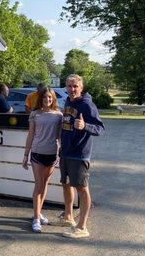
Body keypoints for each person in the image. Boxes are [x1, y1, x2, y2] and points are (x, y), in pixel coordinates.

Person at [59, 74, 104, 239]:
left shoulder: (87, 105)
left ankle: (82, 226)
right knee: (66, 184)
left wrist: (85, 126)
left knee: (82, 189)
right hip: (65, 152)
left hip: (79, 154)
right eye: (69, 86)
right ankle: (68, 217)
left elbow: (100, 129)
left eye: (75, 86)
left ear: (81, 87)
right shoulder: (68, 101)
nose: (72, 89)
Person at [22, 88, 63, 233]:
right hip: (37, 153)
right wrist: (26, 155)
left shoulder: (59, 115)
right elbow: (30, 135)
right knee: (38, 186)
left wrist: (61, 150)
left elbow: (59, 136)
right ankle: (36, 219)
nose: (48, 99)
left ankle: (38, 212)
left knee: (45, 185)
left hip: (52, 154)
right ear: (41, 98)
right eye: (45, 97)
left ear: (53, 99)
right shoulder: (35, 114)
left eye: (50, 97)